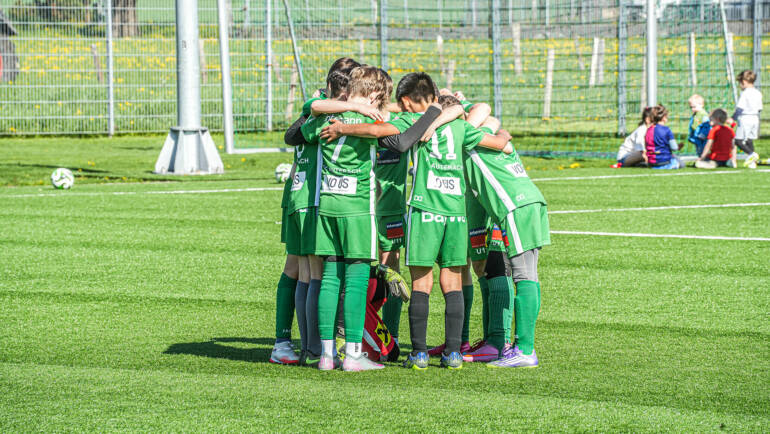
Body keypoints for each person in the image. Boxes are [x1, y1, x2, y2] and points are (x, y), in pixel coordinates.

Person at [319, 73, 512, 370]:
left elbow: (376, 130)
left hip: (425, 211)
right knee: (453, 283)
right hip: (456, 213)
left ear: (406, 101)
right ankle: (453, 353)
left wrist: (344, 127)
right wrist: (501, 137)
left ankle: (419, 352)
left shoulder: (413, 122)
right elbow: (500, 142)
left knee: (421, 283)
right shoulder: (461, 126)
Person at [270, 57, 362, 365]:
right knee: (313, 273)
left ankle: (286, 343)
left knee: (297, 270)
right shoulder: (322, 108)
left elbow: (292, 135)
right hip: (312, 199)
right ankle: (312, 349)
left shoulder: (315, 105)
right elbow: (299, 131)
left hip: (297, 195)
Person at [729, 70, 763, 168]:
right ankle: (752, 162)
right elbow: (760, 109)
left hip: (745, 118)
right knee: (749, 140)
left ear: (743, 82)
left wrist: (733, 118)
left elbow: (740, 108)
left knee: (737, 141)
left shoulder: (745, 93)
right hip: (755, 118)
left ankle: (751, 154)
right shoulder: (758, 93)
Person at [644, 105, 683, 170]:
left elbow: (646, 145)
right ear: (664, 117)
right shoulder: (666, 130)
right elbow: (674, 148)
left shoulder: (648, 130)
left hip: (651, 163)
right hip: (665, 162)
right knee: (681, 163)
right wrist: (678, 147)